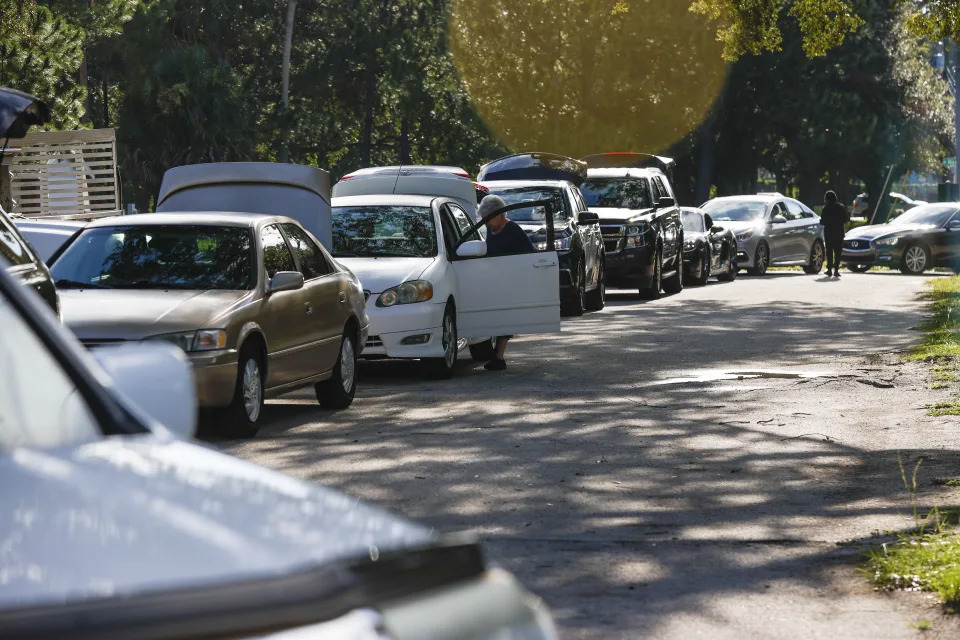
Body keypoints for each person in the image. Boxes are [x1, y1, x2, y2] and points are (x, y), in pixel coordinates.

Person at [478, 194, 535, 371]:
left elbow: (529, 255)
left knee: (505, 316)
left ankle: (499, 356)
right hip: (493, 280)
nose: (486, 222)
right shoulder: (489, 229)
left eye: (488, 218)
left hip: (510, 280)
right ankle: (495, 353)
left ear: (499, 215)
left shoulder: (513, 230)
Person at [820, 190, 850, 277]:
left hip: (829, 233)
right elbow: (845, 219)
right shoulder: (841, 207)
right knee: (838, 252)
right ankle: (836, 269)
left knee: (829, 252)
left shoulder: (826, 208)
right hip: (839, 233)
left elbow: (823, 221)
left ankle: (829, 269)